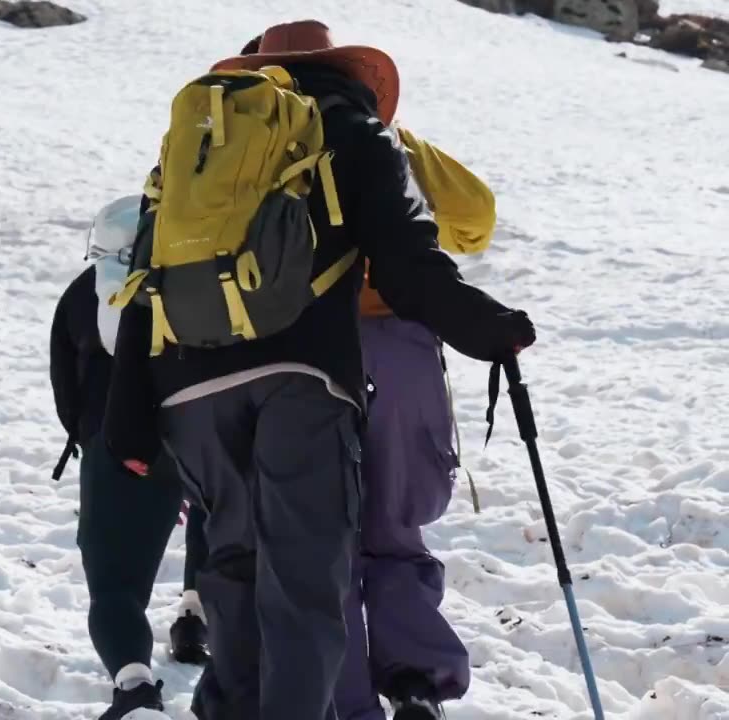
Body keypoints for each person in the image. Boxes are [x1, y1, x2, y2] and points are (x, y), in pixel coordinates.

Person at [103, 20, 536, 720]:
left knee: (235, 569)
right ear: (351, 75)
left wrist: (127, 424)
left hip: (189, 388)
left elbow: (143, 280)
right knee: (305, 579)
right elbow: (406, 261)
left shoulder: (201, 147)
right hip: (299, 380)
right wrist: (487, 329)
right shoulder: (354, 131)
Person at [334, 125, 497, 720]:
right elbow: (475, 219)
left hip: (295, 354)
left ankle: (341, 697)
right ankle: (415, 680)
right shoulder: (387, 138)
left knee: (318, 536)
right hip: (399, 343)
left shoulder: (249, 141)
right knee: (396, 523)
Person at [49, 196, 210, 720]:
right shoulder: (199, 283)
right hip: (198, 435)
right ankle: (195, 613)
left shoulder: (82, 294)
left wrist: (89, 438)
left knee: (115, 585)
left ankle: (134, 682)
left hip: (115, 445)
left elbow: (65, 385)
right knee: (211, 521)